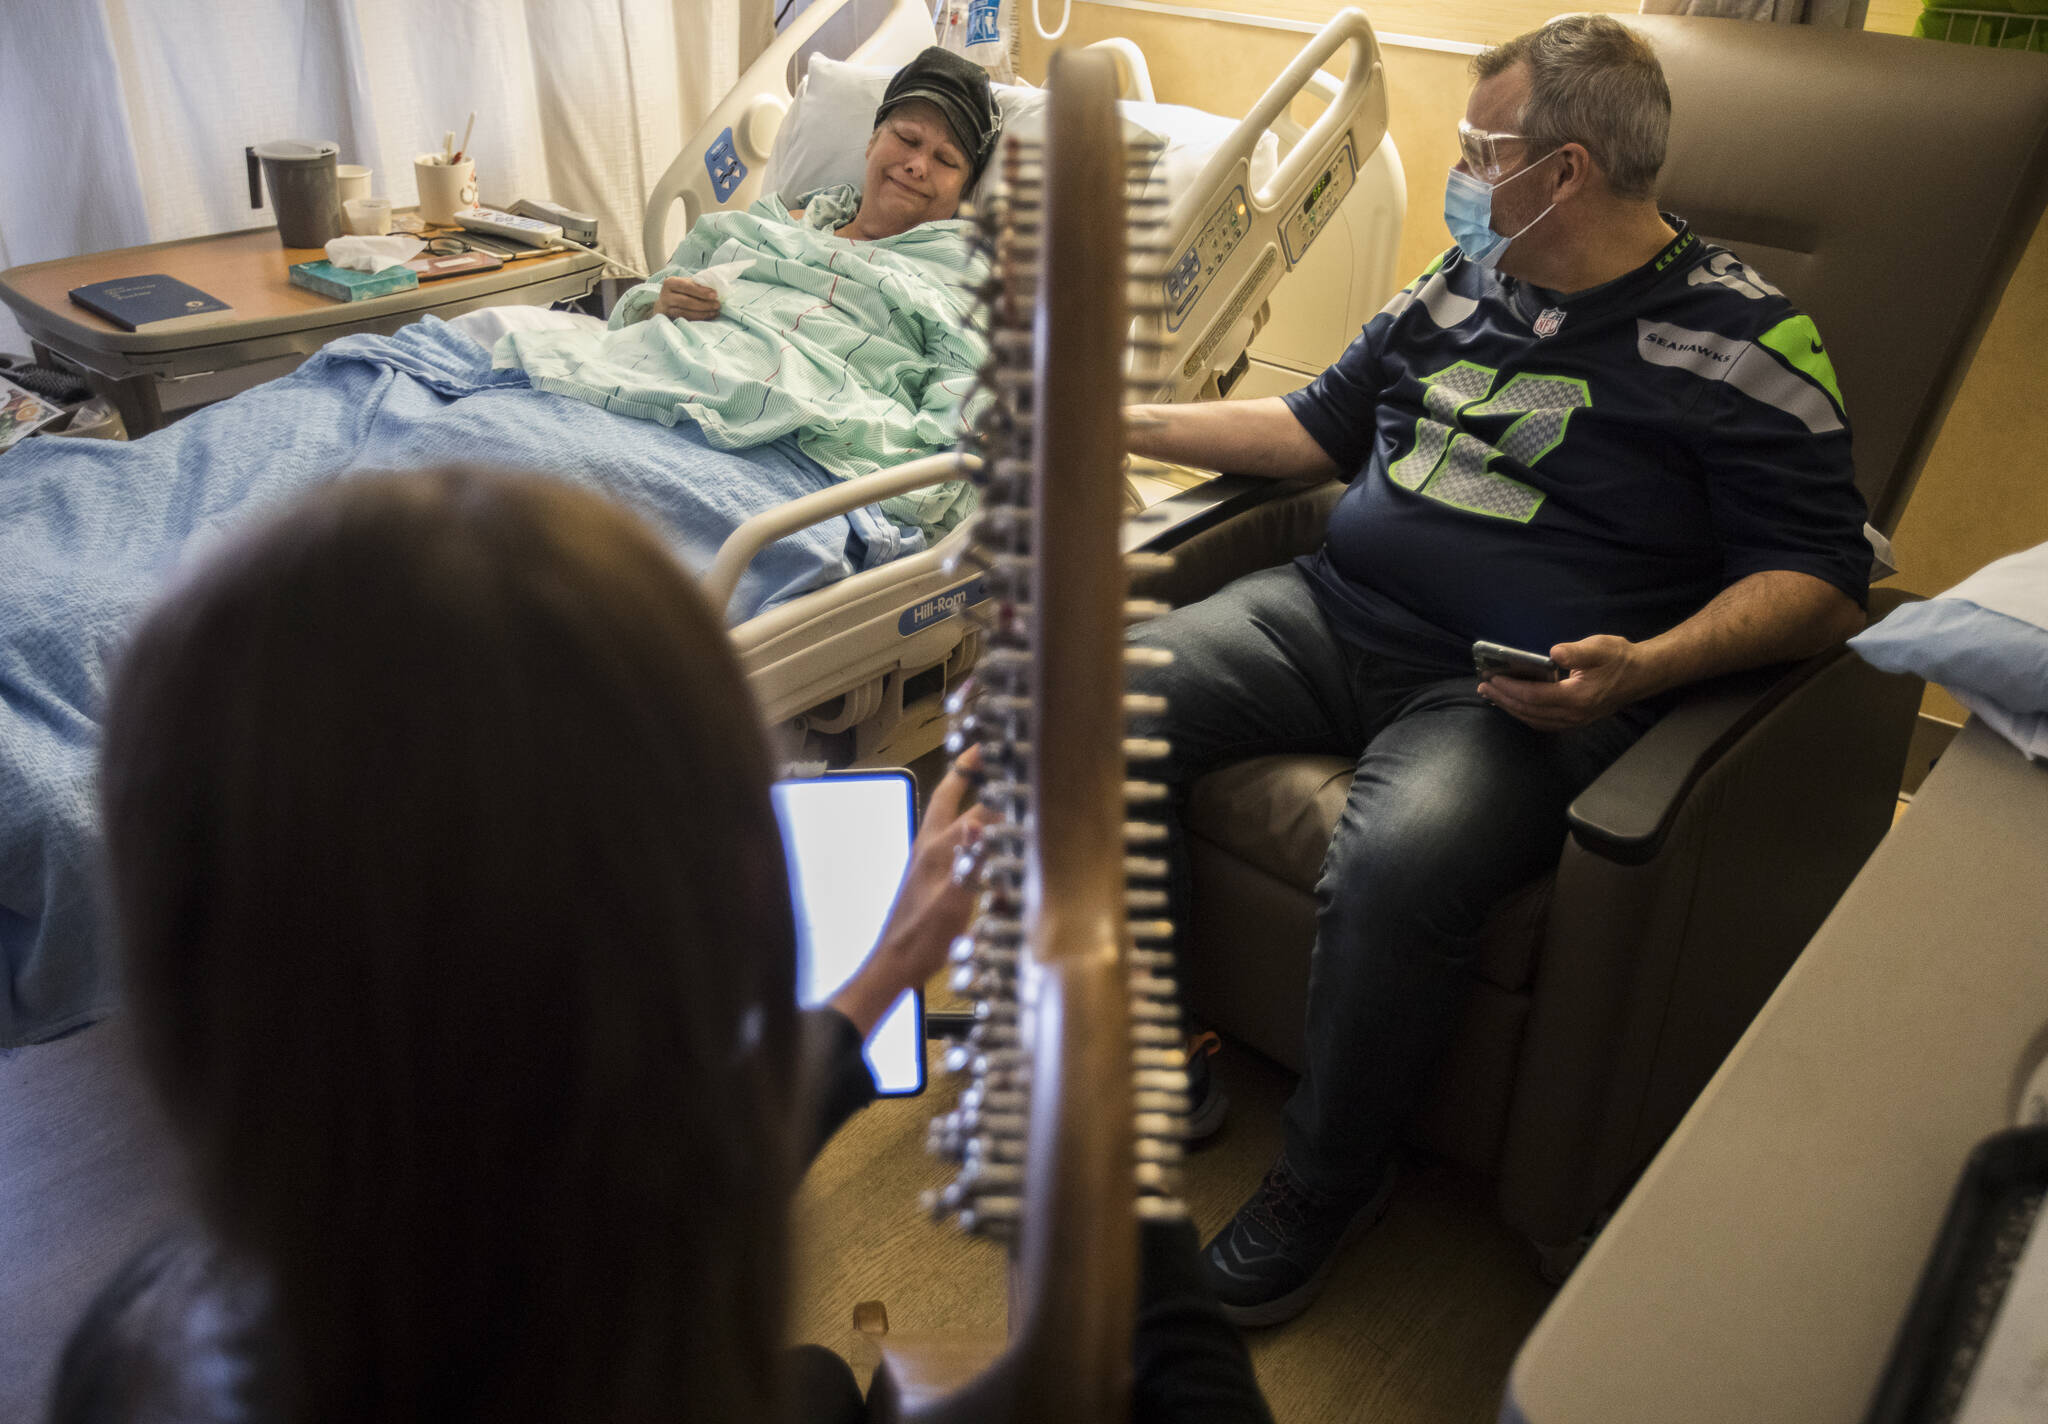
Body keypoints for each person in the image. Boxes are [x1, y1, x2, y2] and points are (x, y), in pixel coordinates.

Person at [53, 469, 1273, 1423]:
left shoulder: (132, 1349)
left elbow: (593, 1205)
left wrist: (888, 970)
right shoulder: (631, 1299)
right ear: (740, 909)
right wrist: (1087, 1012)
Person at [1122, 14, 1871, 1328]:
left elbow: (1823, 581)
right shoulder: (1457, 283)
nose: (1463, 173)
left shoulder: (1750, 347)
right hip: (1330, 610)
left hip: (1505, 691)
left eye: (1481, 148)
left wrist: (1646, 666)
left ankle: (1330, 1179)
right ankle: (1158, 1040)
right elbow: (1312, 431)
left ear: (1564, 170)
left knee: (1404, 855)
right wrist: (1121, 414)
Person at [497, 44, 1004, 539]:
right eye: (908, 138)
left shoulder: (961, 271)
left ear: (963, 192)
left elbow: (965, 387)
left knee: (546, 522)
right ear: (873, 140)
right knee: (492, 458)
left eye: (946, 159)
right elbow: (645, 300)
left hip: (785, 439)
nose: (918, 164)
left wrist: (953, 454)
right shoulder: (775, 220)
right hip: (636, 380)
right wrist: (659, 303)